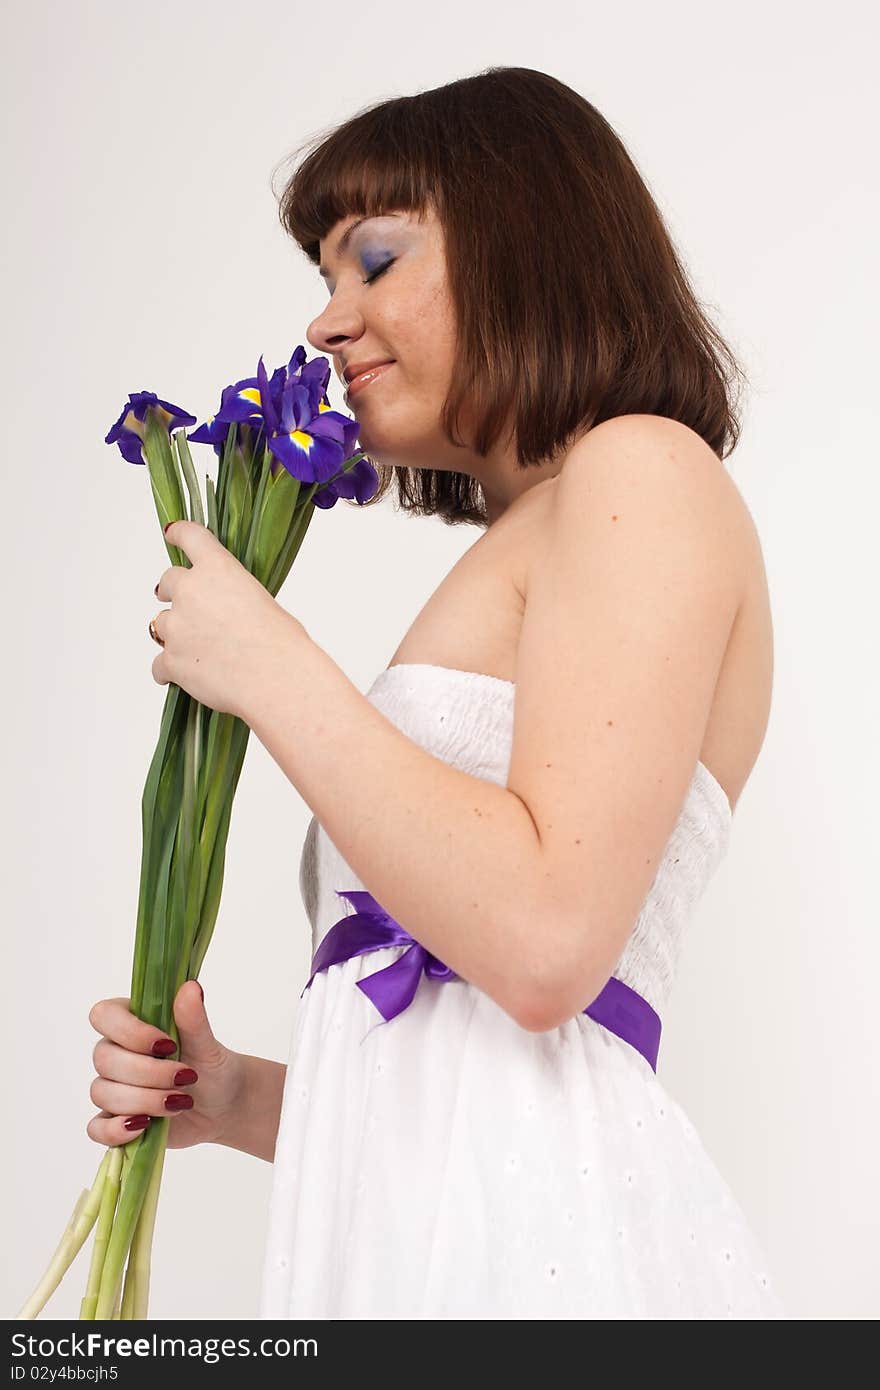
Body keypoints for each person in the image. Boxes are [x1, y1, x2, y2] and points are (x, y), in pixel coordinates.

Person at [86, 66, 787, 1318]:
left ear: (527, 231)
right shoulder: (542, 531)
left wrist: (270, 667)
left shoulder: (640, 470)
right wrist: (235, 1096)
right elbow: (477, 1090)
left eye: (375, 258)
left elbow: (543, 944)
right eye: (322, 279)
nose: (325, 322)